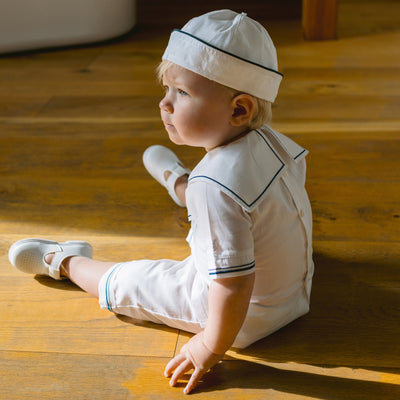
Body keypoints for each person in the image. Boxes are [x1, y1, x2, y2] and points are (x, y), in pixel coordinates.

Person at [8, 10, 314, 394]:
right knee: (231, 202)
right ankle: (180, 182)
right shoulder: (275, 143)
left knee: (135, 283)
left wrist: (209, 344)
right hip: (296, 288)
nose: (164, 104)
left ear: (239, 109)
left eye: (182, 93)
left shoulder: (215, 187)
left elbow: (233, 286)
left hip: (246, 317)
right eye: (167, 90)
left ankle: (65, 260)